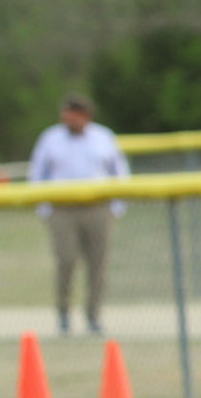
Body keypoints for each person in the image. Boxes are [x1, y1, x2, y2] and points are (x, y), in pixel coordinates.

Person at [28, 93, 130, 336]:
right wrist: (44, 208)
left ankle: (94, 315)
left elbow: (120, 172)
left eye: (74, 114)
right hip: (62, 209)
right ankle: (63, 313)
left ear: (85, 116)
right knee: (66, 260)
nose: (68, 118)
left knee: (98, 264)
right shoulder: (51, 138)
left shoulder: (103, 137)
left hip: (97, 208)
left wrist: (117, 207)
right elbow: (37, 173)